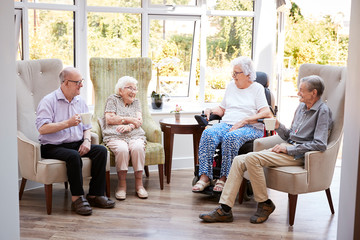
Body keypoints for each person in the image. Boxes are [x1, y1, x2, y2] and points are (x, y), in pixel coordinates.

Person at [199, 75, 333, 224]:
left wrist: (289, 150)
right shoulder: (301, 107)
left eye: (301, 90)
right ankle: (224, 209)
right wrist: (278, 126)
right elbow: (290, 135)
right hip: (288, 147)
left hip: (299, 154)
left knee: (251, 158)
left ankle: (265, 204)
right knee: (238, 160)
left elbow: (320, 144)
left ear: (313, 93)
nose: (298, 93)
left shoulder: (323, 111)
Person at [36, 67, 115, 216]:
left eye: (81, 81)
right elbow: (42, 129)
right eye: (78, 82)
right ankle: (77, 198)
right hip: (52, 146)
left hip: (76, 143)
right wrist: (67, 123)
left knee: (101, 151)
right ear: (66, 83)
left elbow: (87, 126)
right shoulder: (48, 101)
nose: (81, 85)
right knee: (73, 156)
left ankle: (95, 195)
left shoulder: (80, 101)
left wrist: (86, 141)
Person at [192, 56, 272, 193]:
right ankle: (205, 177)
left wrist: (246, 120)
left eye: (237, 73)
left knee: (231, 137)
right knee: (208, 133)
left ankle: (225, 178)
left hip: (250, 127)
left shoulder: (257, 88)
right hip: (228, 124)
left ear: (248, 74)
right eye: (233, 72)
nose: (233, 76)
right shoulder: (231, 86)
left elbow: (267, 113)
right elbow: (222, 109)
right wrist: (210, 110)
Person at [101, 76, 148, 200]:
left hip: (135, 134)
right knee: (122, 149)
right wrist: (128, 120)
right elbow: (110, 119)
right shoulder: (112, 99)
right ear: (120, 90)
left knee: (138, 147)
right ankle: (122, 185)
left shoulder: (136, 102)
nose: (133, 91)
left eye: (135, 89)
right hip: (114, 135)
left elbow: (139, 121)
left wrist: (129, 127)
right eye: (130, 88)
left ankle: (139, 184)